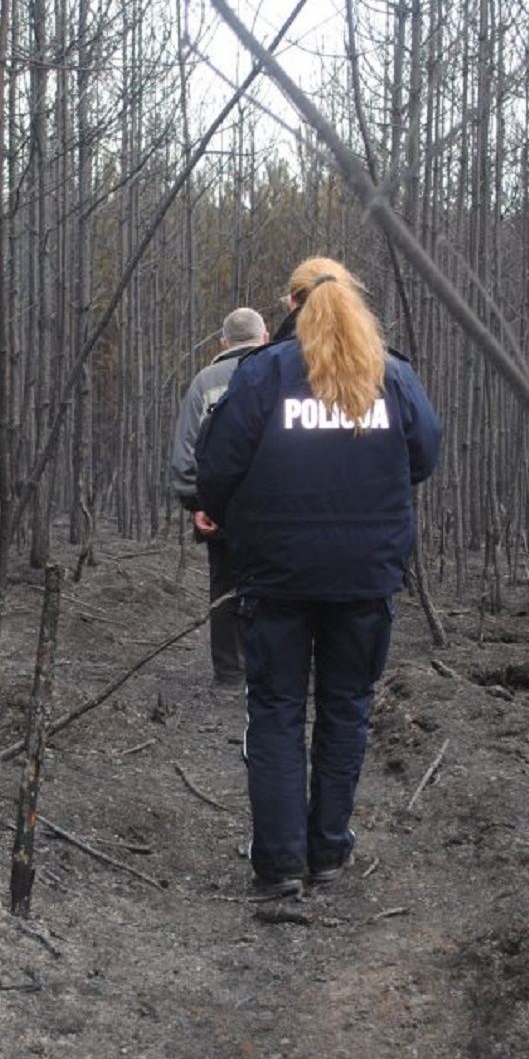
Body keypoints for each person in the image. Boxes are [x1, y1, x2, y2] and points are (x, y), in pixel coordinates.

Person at [195, 257, 441, 899]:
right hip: (365, 575)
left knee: (276, 710)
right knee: (346, 709)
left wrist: (229, 517)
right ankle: (328, 851)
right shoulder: (392, 376)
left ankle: (280, 866)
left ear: (292, 303)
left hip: (276, 574)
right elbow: (424, 456)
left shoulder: (263, 374)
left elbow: (216, 464)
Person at [171, 307, 270, 687]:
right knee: (277, 586)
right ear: (264, 338)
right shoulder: (284, 374)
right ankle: (273, 668)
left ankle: (229, 673)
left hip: (222, 508)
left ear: (224, 342)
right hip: (277, 508)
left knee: (225, 586)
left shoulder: (204, 382)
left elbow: (186, 452)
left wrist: (196, 503)